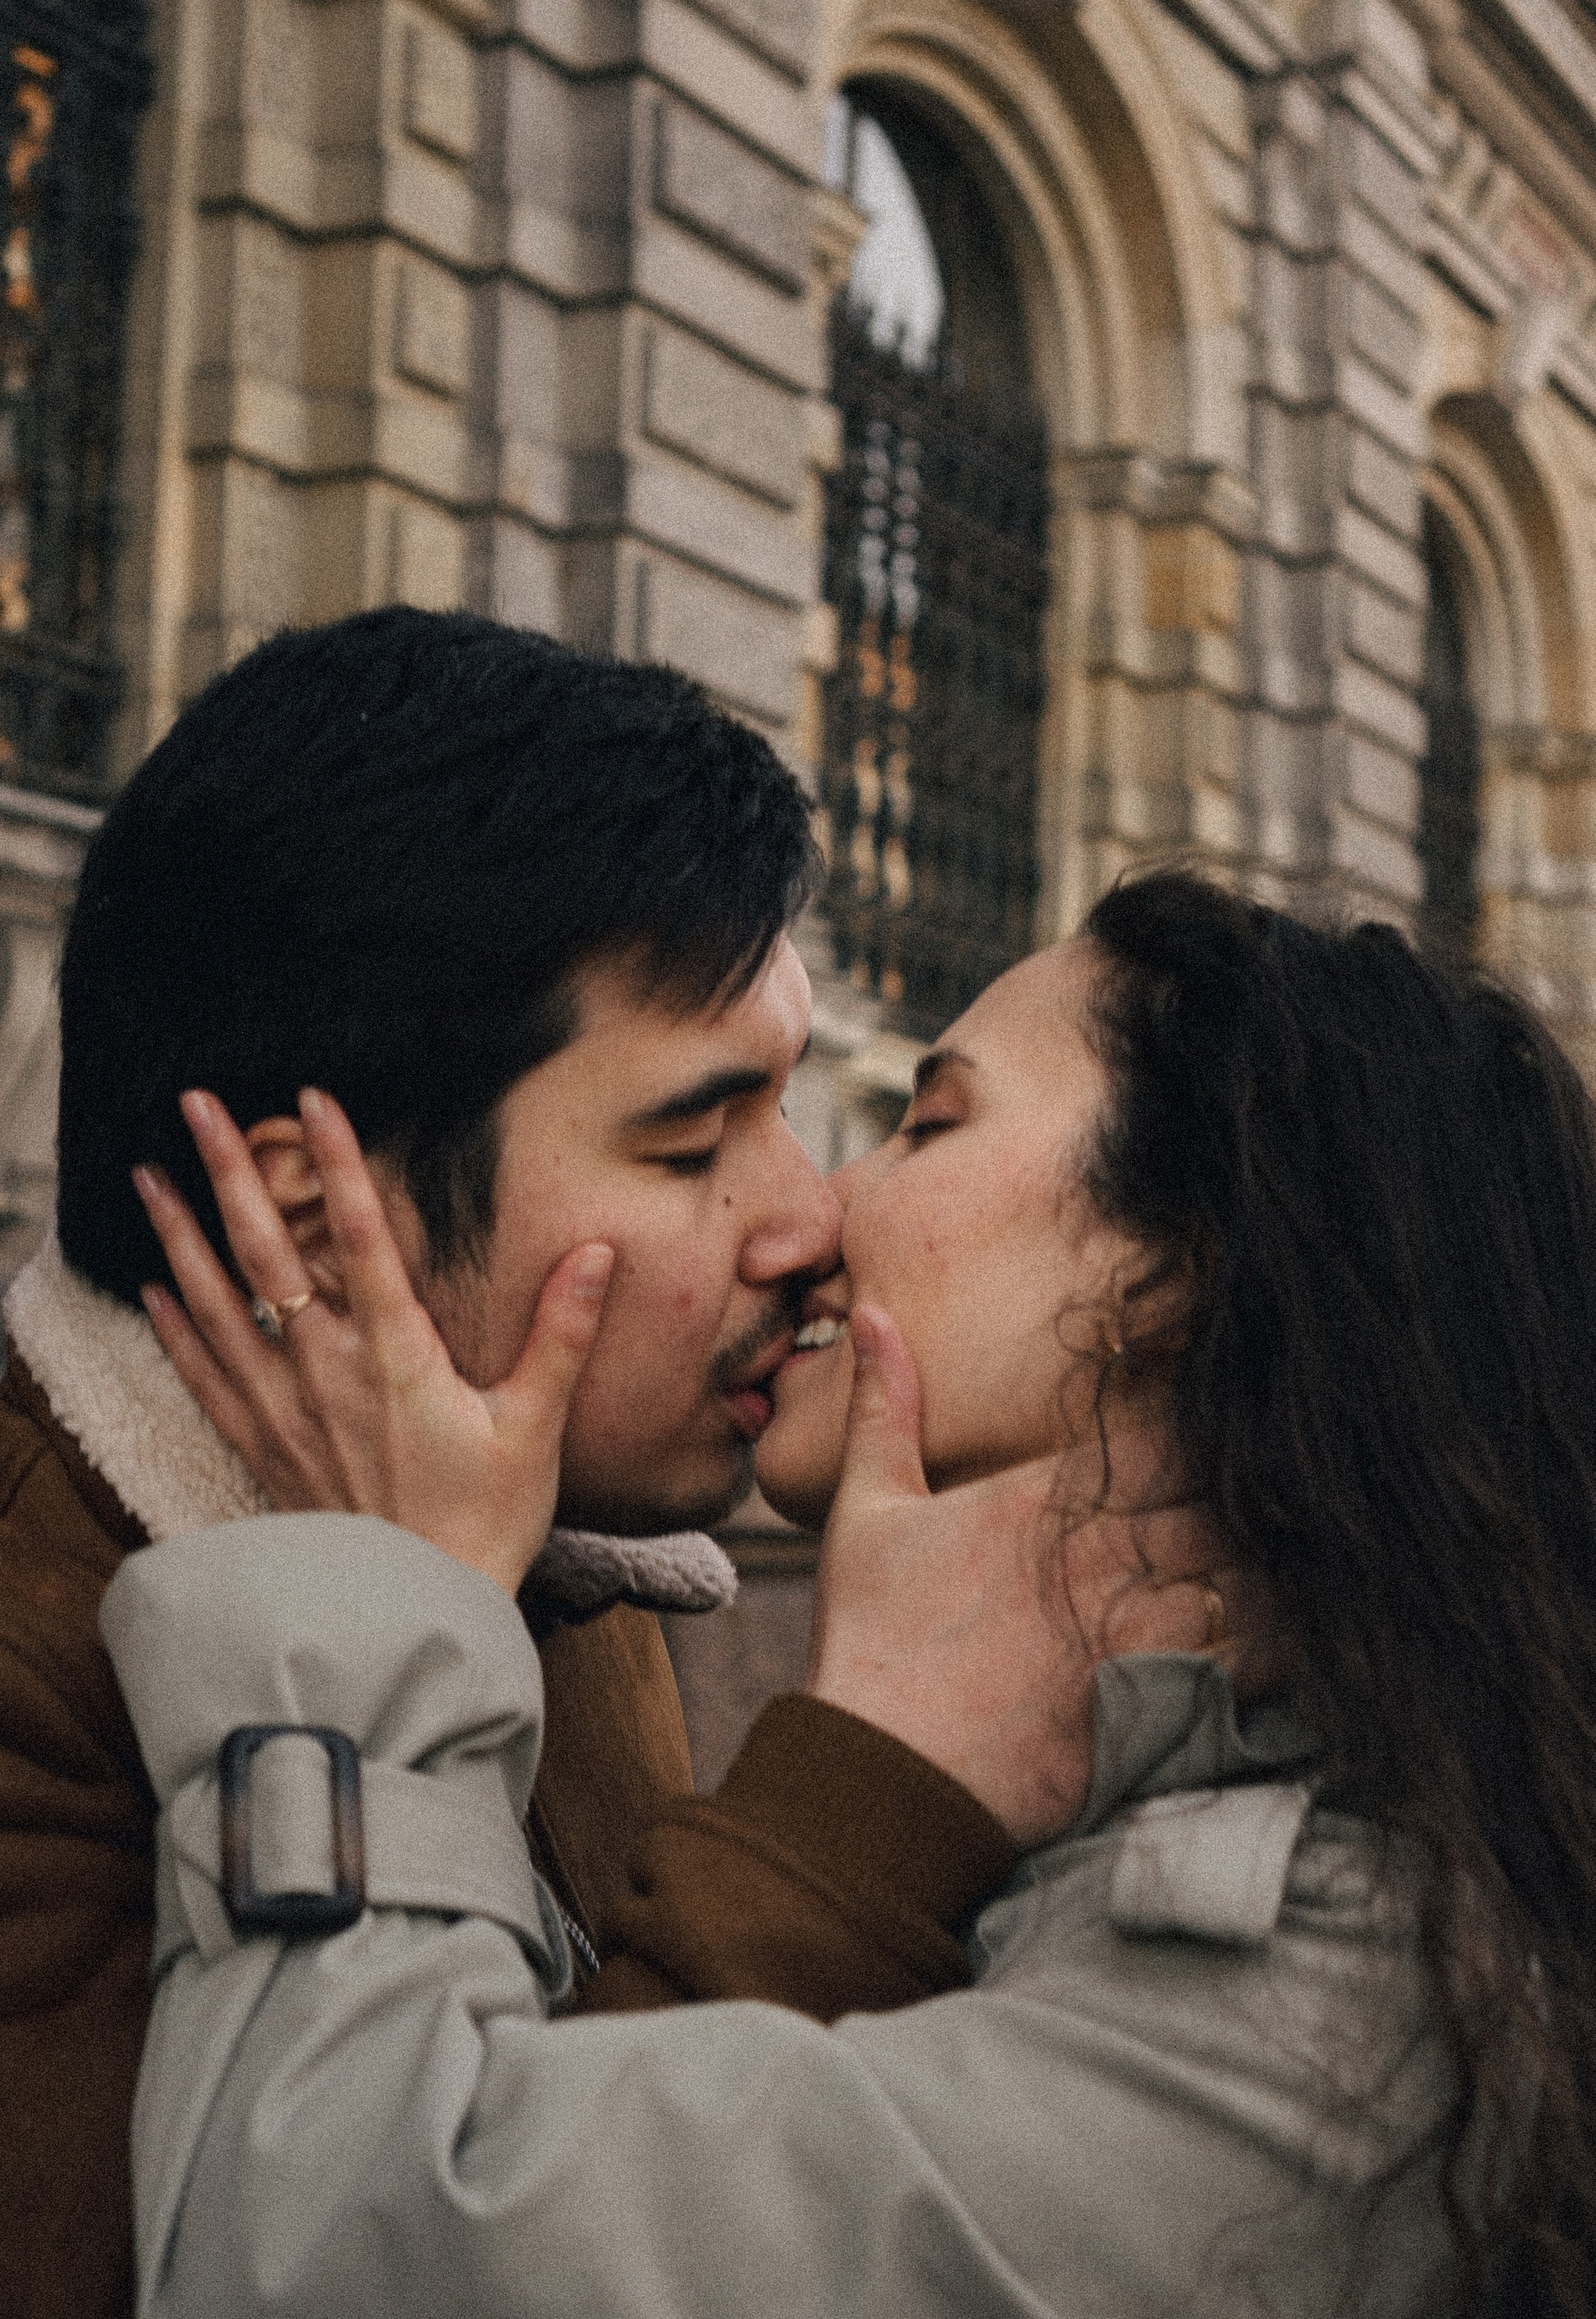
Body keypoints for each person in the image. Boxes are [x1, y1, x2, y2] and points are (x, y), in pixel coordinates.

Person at [101, 869, 1596, 2316]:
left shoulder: (1344, 2017)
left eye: (926, 1121)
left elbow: (319, 2263)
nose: (815, 1215)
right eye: (694, 1144)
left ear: (1168, 1280)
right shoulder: (1332, 1842)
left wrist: (381, 1606)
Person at [0, 608, 1227, 2319]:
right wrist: (854, 1817)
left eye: (794, 1108)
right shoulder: (38, 1681)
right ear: (310, 1217)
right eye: (689, 1142)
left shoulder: (554, 1550)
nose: (810, 1218)